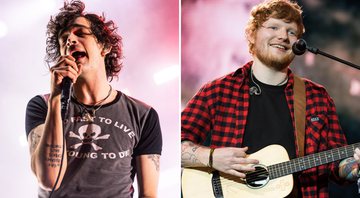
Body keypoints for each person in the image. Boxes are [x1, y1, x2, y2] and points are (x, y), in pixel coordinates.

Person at [181, 0, 360, 197]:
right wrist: (212, 157)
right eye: (274, 27)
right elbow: (172, 146)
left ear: (299, 44)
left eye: (292, 32)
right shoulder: (218, 91)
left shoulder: (317, 97)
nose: (283, 36)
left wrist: (354, 166)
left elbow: (338, 166)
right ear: (252, 34)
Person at [25, 1, 162, 197]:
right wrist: (56, 99)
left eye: (80, 33)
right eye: (64, 38)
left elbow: (148, 194)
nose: (70, 40)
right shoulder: (42, 105)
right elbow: (49, 180)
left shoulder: (142, 115)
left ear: (104, 46)